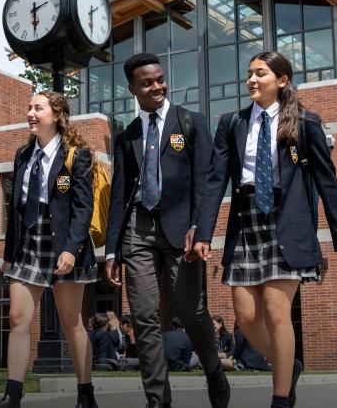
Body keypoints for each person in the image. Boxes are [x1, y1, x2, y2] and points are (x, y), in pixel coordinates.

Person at [194, 51, 337, 408]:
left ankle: (280, 398)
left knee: (275, 308)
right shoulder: (231, 123)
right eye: (249, 74)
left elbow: (328, 184)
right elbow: (214, 180)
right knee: (246, 318)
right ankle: (288, 364)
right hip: (245, 222)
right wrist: (204, 232)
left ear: (282, 80)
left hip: (288, 222)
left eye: (261, 74)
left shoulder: (305, 122)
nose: (252, 80)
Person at [104, 52, 230, 408]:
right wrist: (113, 249)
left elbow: (206, 183)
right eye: (147, 82)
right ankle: (158, 400)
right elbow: (119, 195)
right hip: (138, 230)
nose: (157, 86)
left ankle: (213, 370)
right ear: (132, 88)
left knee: (190, 310)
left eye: (160, 79)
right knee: (143, 317)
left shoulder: (191, 122)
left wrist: (200, 229)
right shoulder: (126, 136)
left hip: (182, 232)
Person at [0, 91, 99, 408]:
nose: (31, 113)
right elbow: (14, 208)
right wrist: (8, 255)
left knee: (71, 320)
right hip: (29, 243)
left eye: (38, 108)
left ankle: (86, 395)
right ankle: (12, 396)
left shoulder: (76, 154)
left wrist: (72, 249)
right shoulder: (23, 154)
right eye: (28, 108)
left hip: (63, 242)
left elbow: (83, 208)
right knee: (18, 318)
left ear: (57, 115)